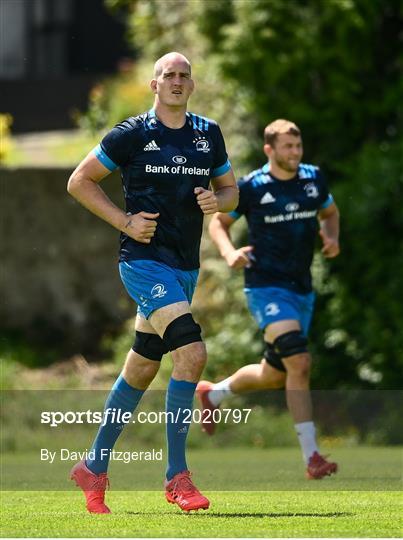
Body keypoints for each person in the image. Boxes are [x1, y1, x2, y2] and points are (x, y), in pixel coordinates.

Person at [67, 52, 238, 513]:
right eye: (169, 75)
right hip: (143, 262)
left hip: (184, 267)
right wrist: (125, 222)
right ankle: (176, 478)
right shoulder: (131, 134)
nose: (177, 81)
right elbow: (79, 181)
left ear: (192, 85)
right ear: (154, 84)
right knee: (192, 352)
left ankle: (92, 467)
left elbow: (231, 191)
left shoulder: (208, 134)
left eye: (184, 75)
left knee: (142, 368)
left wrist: (215, 201)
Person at [197, 119, 340, 480]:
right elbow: (218, 223)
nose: (295, 153)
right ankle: (313, 457)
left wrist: (331, 237)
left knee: (275, 374)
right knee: (300, 361)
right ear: (269, 150)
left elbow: (330, 212)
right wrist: (229, 253)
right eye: (287, 147)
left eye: (298, 145)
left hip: (301, 289)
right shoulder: (254, 187)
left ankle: (213, 394)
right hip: (266, 287)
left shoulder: (312, 179)